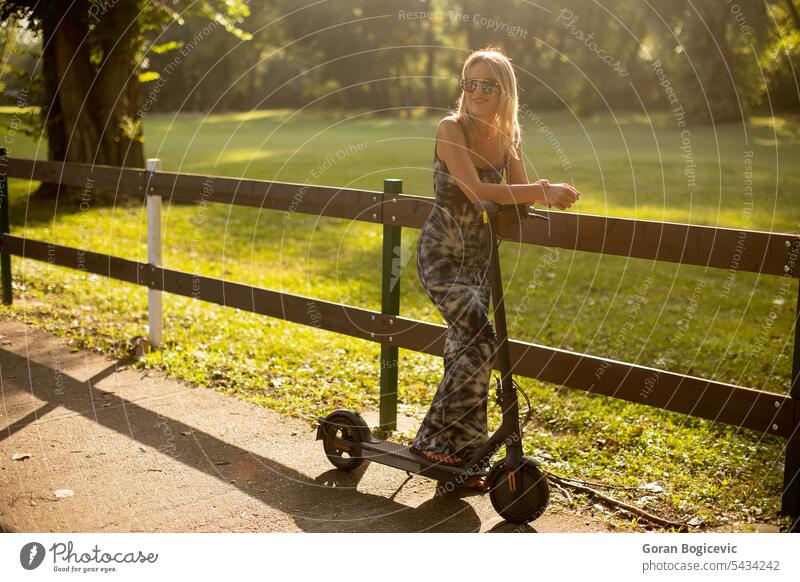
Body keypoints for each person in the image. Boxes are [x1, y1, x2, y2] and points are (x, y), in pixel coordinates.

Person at [409, 46, 580, 491]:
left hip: (480, 260)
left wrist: (536, 194)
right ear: (462, 86)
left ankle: (461, 455)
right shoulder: (451, 128)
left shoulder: (508, 134)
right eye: (470, 82)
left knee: (467, 350)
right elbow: (475, 189)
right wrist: (542, 190)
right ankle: (432, 441)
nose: (477, 91)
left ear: (505, 90)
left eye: (488, 84)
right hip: (442, 255)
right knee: (482, 338)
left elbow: (517, 192)